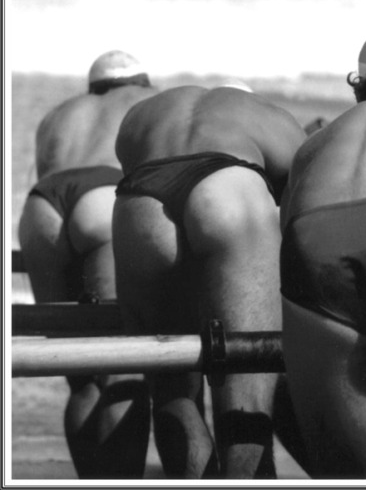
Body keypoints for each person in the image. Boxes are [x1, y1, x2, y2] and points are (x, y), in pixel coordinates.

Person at [112, 84, 307, 479]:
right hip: (226, 192)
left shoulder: (144, 112)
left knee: (170, 389)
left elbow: (131, 158)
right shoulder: (265, 113)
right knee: (245, 380)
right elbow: (302, 194)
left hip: (142, 202)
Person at [18, 50, 158, 479]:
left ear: (93, 87)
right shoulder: (149, 101)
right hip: (103, 197)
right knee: (122, 367)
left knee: (80, 376)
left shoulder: (59, 114)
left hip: (41, 209)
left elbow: (45, 171)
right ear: (141, 80)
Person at [279, 20, 366, 478]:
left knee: (353, 470)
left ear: (358, 85)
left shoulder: (317, 144)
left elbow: (284, 232)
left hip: (318, 237)